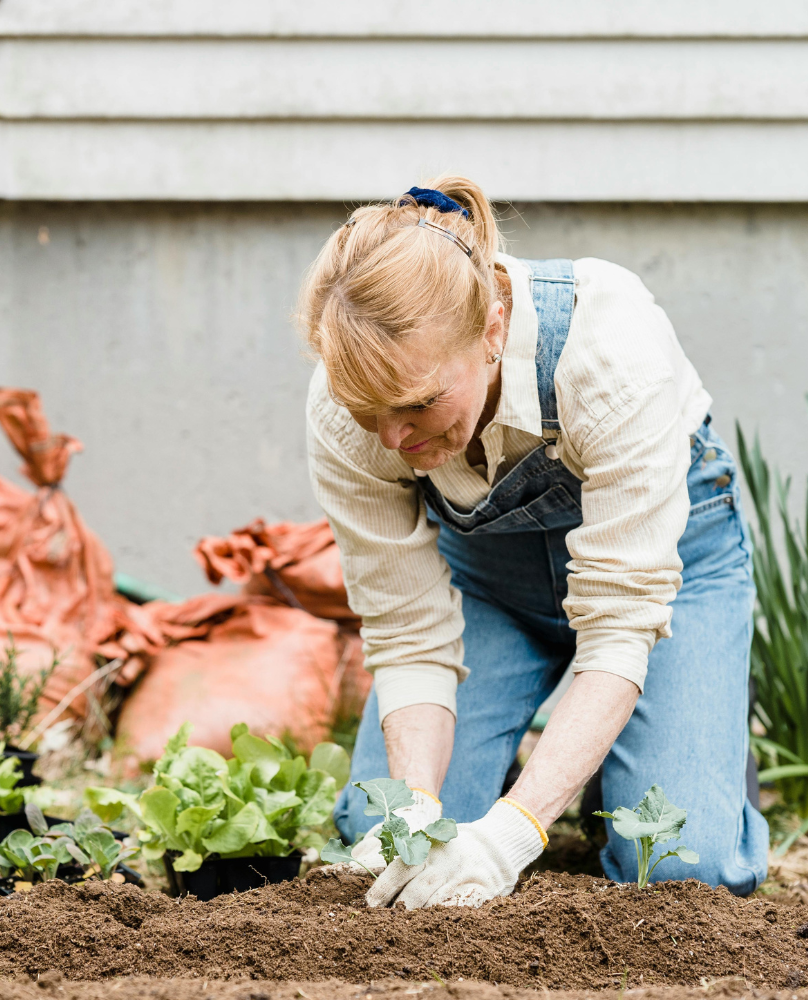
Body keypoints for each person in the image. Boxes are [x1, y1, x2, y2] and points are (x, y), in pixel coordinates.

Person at [298, 175, 768, 909]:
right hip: (491, 589)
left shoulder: (608, 353)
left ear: (491, 329)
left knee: (678, 866)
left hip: (669, 581)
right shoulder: (346, 408)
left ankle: (662, 751)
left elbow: (617, 629)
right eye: (370, 412)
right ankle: (584, 756)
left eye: (419, 403)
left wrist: (512, 834)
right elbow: (407, 634)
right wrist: (419, 813)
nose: (393, 439)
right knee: (382, 832)